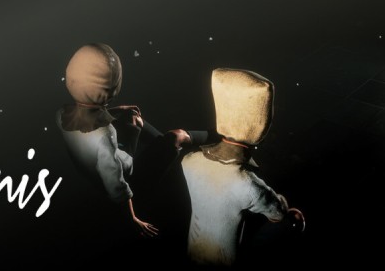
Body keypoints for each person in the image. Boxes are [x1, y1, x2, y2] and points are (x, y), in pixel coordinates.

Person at [55, 42, 206, 238]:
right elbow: (117, 186)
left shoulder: (61, 114)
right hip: (130, 179)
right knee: (176, 135)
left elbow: (87, 115)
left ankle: (168, 152)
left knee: (133, 117)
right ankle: (214, 137)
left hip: (93, 171)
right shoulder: (105, 135)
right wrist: (133, 219)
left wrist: (117, 110)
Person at [182, 68, 304, 265]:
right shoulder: (248, 184)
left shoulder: (189, 160)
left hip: (193, 250)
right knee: (291, 221)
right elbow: (278, 212)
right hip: (226, 262)